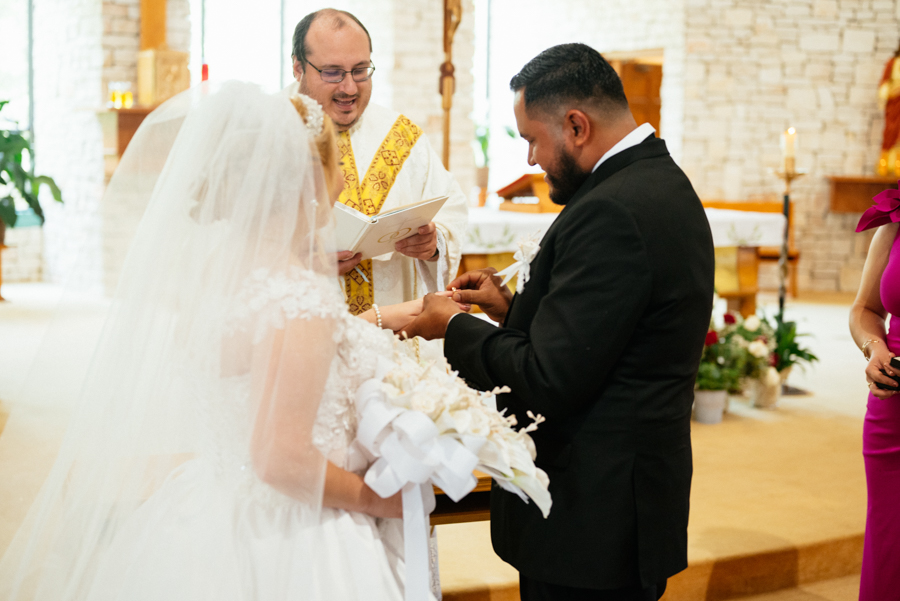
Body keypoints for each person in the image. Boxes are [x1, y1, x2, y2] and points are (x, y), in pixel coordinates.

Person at [0, 82, 446, 600]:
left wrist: (386, 316)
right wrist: (376, 499)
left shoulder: (222, 269)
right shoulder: (295, 294)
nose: (344, 180)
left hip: (210, 505)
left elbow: (265, 363)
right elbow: (280, 458)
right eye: (335, 166)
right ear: (306, 182)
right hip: (293, 532)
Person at [404, 44, 715, 600]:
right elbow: (607, 332)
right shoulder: (658, 181)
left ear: (576, 125)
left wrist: (450, 325)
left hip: (594, 516)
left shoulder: (612, 210)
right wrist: (512, 309)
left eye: (532, 139)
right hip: (622, 503)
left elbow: (547, 377)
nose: (530, 160)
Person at [287, 8, 468, 316]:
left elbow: (452, 208)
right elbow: (233, 240)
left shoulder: (402, 136)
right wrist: (300, 262)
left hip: (393, 339)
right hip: (302, 326)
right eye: (332, 72)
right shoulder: (271, 134)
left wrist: (433, 243)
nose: (349, 88)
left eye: (360, 70)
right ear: (298, 68)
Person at [849, 187, 900, 600]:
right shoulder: (897, 215)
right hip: (893, 410)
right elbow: (865, 310)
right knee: (889, 543)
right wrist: (875, 348)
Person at [878, 42, 900, 176]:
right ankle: (886, 166)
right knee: (891, 132)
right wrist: (893, 90)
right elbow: (884, 85)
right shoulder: (893, 62)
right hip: (895, 104)